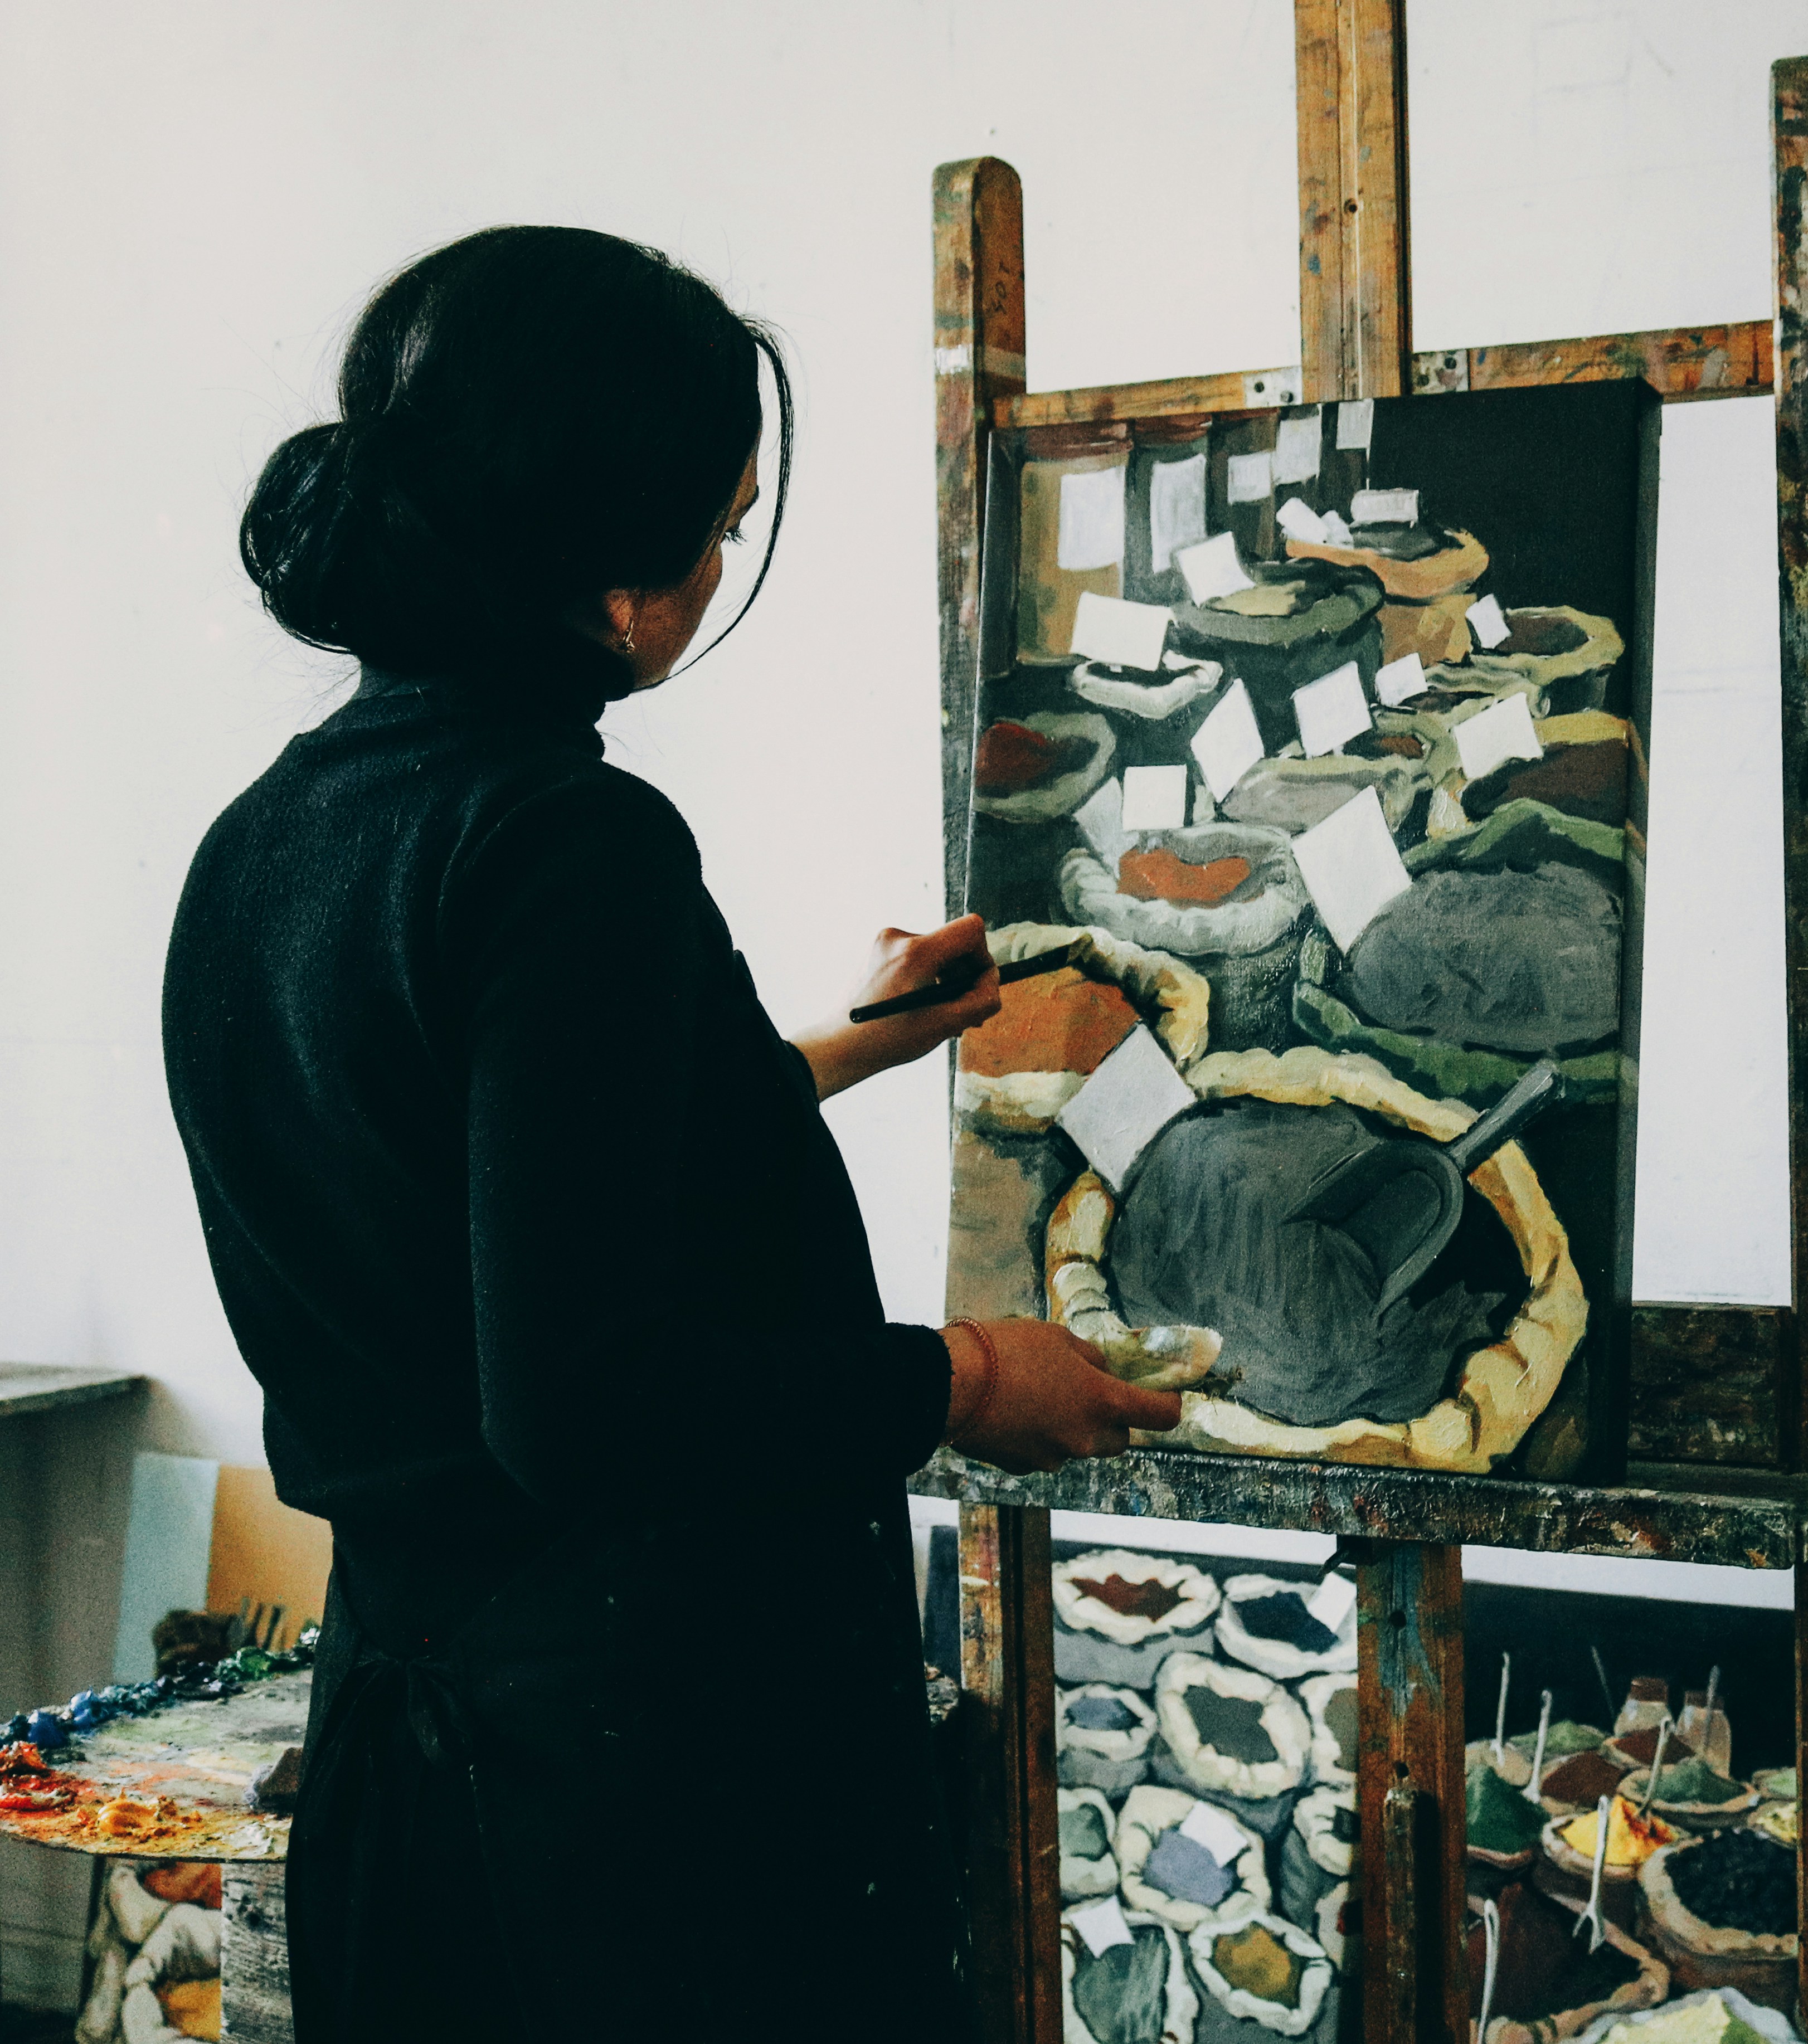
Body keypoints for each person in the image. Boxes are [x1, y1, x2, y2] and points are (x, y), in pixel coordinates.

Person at [159, 226, 1185, 2041]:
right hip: (634, 1814)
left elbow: (510, 1182)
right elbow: (584, 1400)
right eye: (720, 522)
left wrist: (845, 1046)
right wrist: (960, 1377)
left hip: (417, 1760)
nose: (720, 565)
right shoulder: (562, 839)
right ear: (617, 567)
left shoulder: (275, 839)